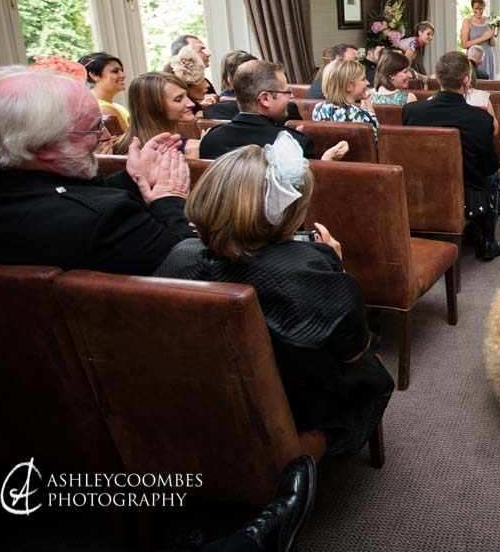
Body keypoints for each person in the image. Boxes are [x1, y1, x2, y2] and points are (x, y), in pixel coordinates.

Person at [155, 136, 393, 456]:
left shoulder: (179, 255)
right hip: (292, 404)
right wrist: (336, 268)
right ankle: (301, 456)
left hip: (200, 394)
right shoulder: (312, 269)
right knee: (372, 369)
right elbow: (352, 351)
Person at [0, 66, 192, 274]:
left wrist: (133, 178)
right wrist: (169, 200)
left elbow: (61, 194)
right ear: (42, 145)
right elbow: (190, 267)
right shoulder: (107, 220)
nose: (106, 136)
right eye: (94, 128)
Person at [403, 52, 500, 261]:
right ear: (466, 81)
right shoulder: (480, 119)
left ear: (438, 79)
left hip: (423, 191)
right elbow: (489, 165)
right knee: (496, 175)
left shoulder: (411, 111)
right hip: (468, 197)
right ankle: (488, 241)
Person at [200, 60, 348, 162]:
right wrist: (325, 162)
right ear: (265, 99)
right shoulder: (295, 144)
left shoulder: (210, 140)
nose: (291, 97)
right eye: (287, 92)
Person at [113, 72, 202, 159]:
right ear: (153, 106)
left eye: (186, 96)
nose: (191, 103)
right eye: (178, 99)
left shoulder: (117, 147)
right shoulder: (182, 148)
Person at [312, 58, 379, 143]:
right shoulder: (363, 117)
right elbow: (378, 146)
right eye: (363, 79)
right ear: (349, 86)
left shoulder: (318, 109)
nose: (368, 82)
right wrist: (371, 114)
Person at [79, 52, 129, 126]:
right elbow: (131, 137)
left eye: (121, 71)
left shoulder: (116, 106)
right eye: (115, 71)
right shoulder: (103, 109)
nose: (123, 75)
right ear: (94, 75)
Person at [460, 0, 497, 77]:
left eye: (481, 8)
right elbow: (464, 44)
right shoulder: (467, 22)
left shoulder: (490, 20)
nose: (479, 11)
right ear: (472, 8)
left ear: (484, 7)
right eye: (476, 8)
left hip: (488, 56)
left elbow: (493, 44)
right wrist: (483, 38)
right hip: (474, 58)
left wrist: (492, 36)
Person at [171, 34, 217, 99]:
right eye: (201, 50)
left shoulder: (205, 82)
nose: (208, 54)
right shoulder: (172, 85)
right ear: (184, 54)